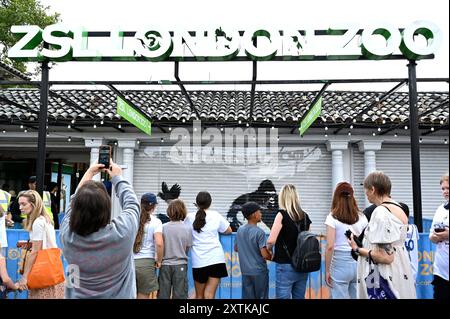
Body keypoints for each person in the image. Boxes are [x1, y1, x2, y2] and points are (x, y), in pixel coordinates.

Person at [60, 160, 140, 299]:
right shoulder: (121, 234)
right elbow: (132, 204)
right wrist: (118, 178)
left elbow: (73, 202)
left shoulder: (68, 235)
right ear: (106, 209)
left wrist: (90, 172)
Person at [348, 171, 416, 299]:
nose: (366, 194)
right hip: (400, 272)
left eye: (366, 190)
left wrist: (357, 249)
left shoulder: (381, 213)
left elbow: (386, 257)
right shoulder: (398, 208)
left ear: (372, 189)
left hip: (384, 280)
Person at [16, 190, 64, 298]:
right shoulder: (45, 219)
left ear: (33, 205)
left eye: (23, 204)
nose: (20, 207)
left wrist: (25, 277)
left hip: (43, 272)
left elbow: (35, 252)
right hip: (51, 270)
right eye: (19, 204)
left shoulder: (37, 222)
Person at [267, 184, 312, 299]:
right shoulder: (305, 216)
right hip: (302, 265)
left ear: (282, 197)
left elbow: (271, 240)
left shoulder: (281, 215)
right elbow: (308, 240)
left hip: (285, 264)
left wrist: (269, 250)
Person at [184, 191, 232, 299]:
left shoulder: (189, 217)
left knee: (199, 295)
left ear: (196, 203)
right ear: (210, 203)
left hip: (199, 260)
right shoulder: (216, 215)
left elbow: (184, 232)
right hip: (216, 259)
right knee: (209, 295)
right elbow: (228, 230)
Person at [325, 182, 368, 299]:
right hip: (358, 260)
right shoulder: (362, 217)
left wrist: (327, 270)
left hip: (339, 263)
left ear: (336, 197)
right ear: (352, 197)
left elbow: (330, 246)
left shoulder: (332, 217)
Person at [234, 201, 272, 299]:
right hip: (259, 272)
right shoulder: (260, 232)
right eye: (259, 211)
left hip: (245, 271)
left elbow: (236, 248)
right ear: (254, 214)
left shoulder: (240, 230)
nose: (261, 214)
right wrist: (271, 254)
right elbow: (265, 255)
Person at [158, 199, 192, 299]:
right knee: (180, 295)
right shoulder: (188, 228)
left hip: (165, 265)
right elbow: (187, 247)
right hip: (181, 264)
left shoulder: (163, 227)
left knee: (163, 295)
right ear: (183, 211)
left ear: (169, 211)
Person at [133, 192, 163, 299]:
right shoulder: (156, 222)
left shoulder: (132, 219)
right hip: (146, 263)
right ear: (154, 206)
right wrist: (159, 260)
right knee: (143, 295)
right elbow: (159, 244)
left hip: (129, 263)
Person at [429, 173, 449, 300]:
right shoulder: (440, 209)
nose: (445, 191)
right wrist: (434, 237)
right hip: (441, 270)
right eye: (443, 189)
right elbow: (431, 234)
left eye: (448, 188)